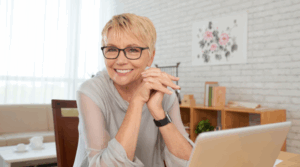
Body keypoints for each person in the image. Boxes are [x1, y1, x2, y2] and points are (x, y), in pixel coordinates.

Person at [73, 13, 194, 167]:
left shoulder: (164, 94)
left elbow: (189, 163)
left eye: (132, 50)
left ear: (151, 57)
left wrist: (159, 114)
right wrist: (137, 102)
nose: (121, 60)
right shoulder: (90, 91)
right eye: (111, 49)